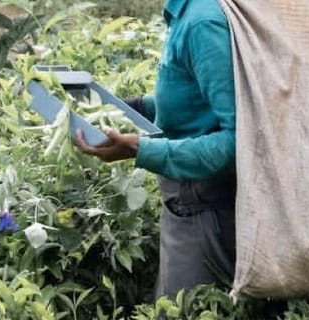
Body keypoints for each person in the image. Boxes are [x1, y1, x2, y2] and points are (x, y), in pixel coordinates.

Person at [73, 0, 237, 300]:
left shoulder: (203, 22)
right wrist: (130, 108)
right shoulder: (187, 12)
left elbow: (239, 142)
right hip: (187, 202)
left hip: (205, 205)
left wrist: (140, 149)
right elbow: (193, 98)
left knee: (185, 308)